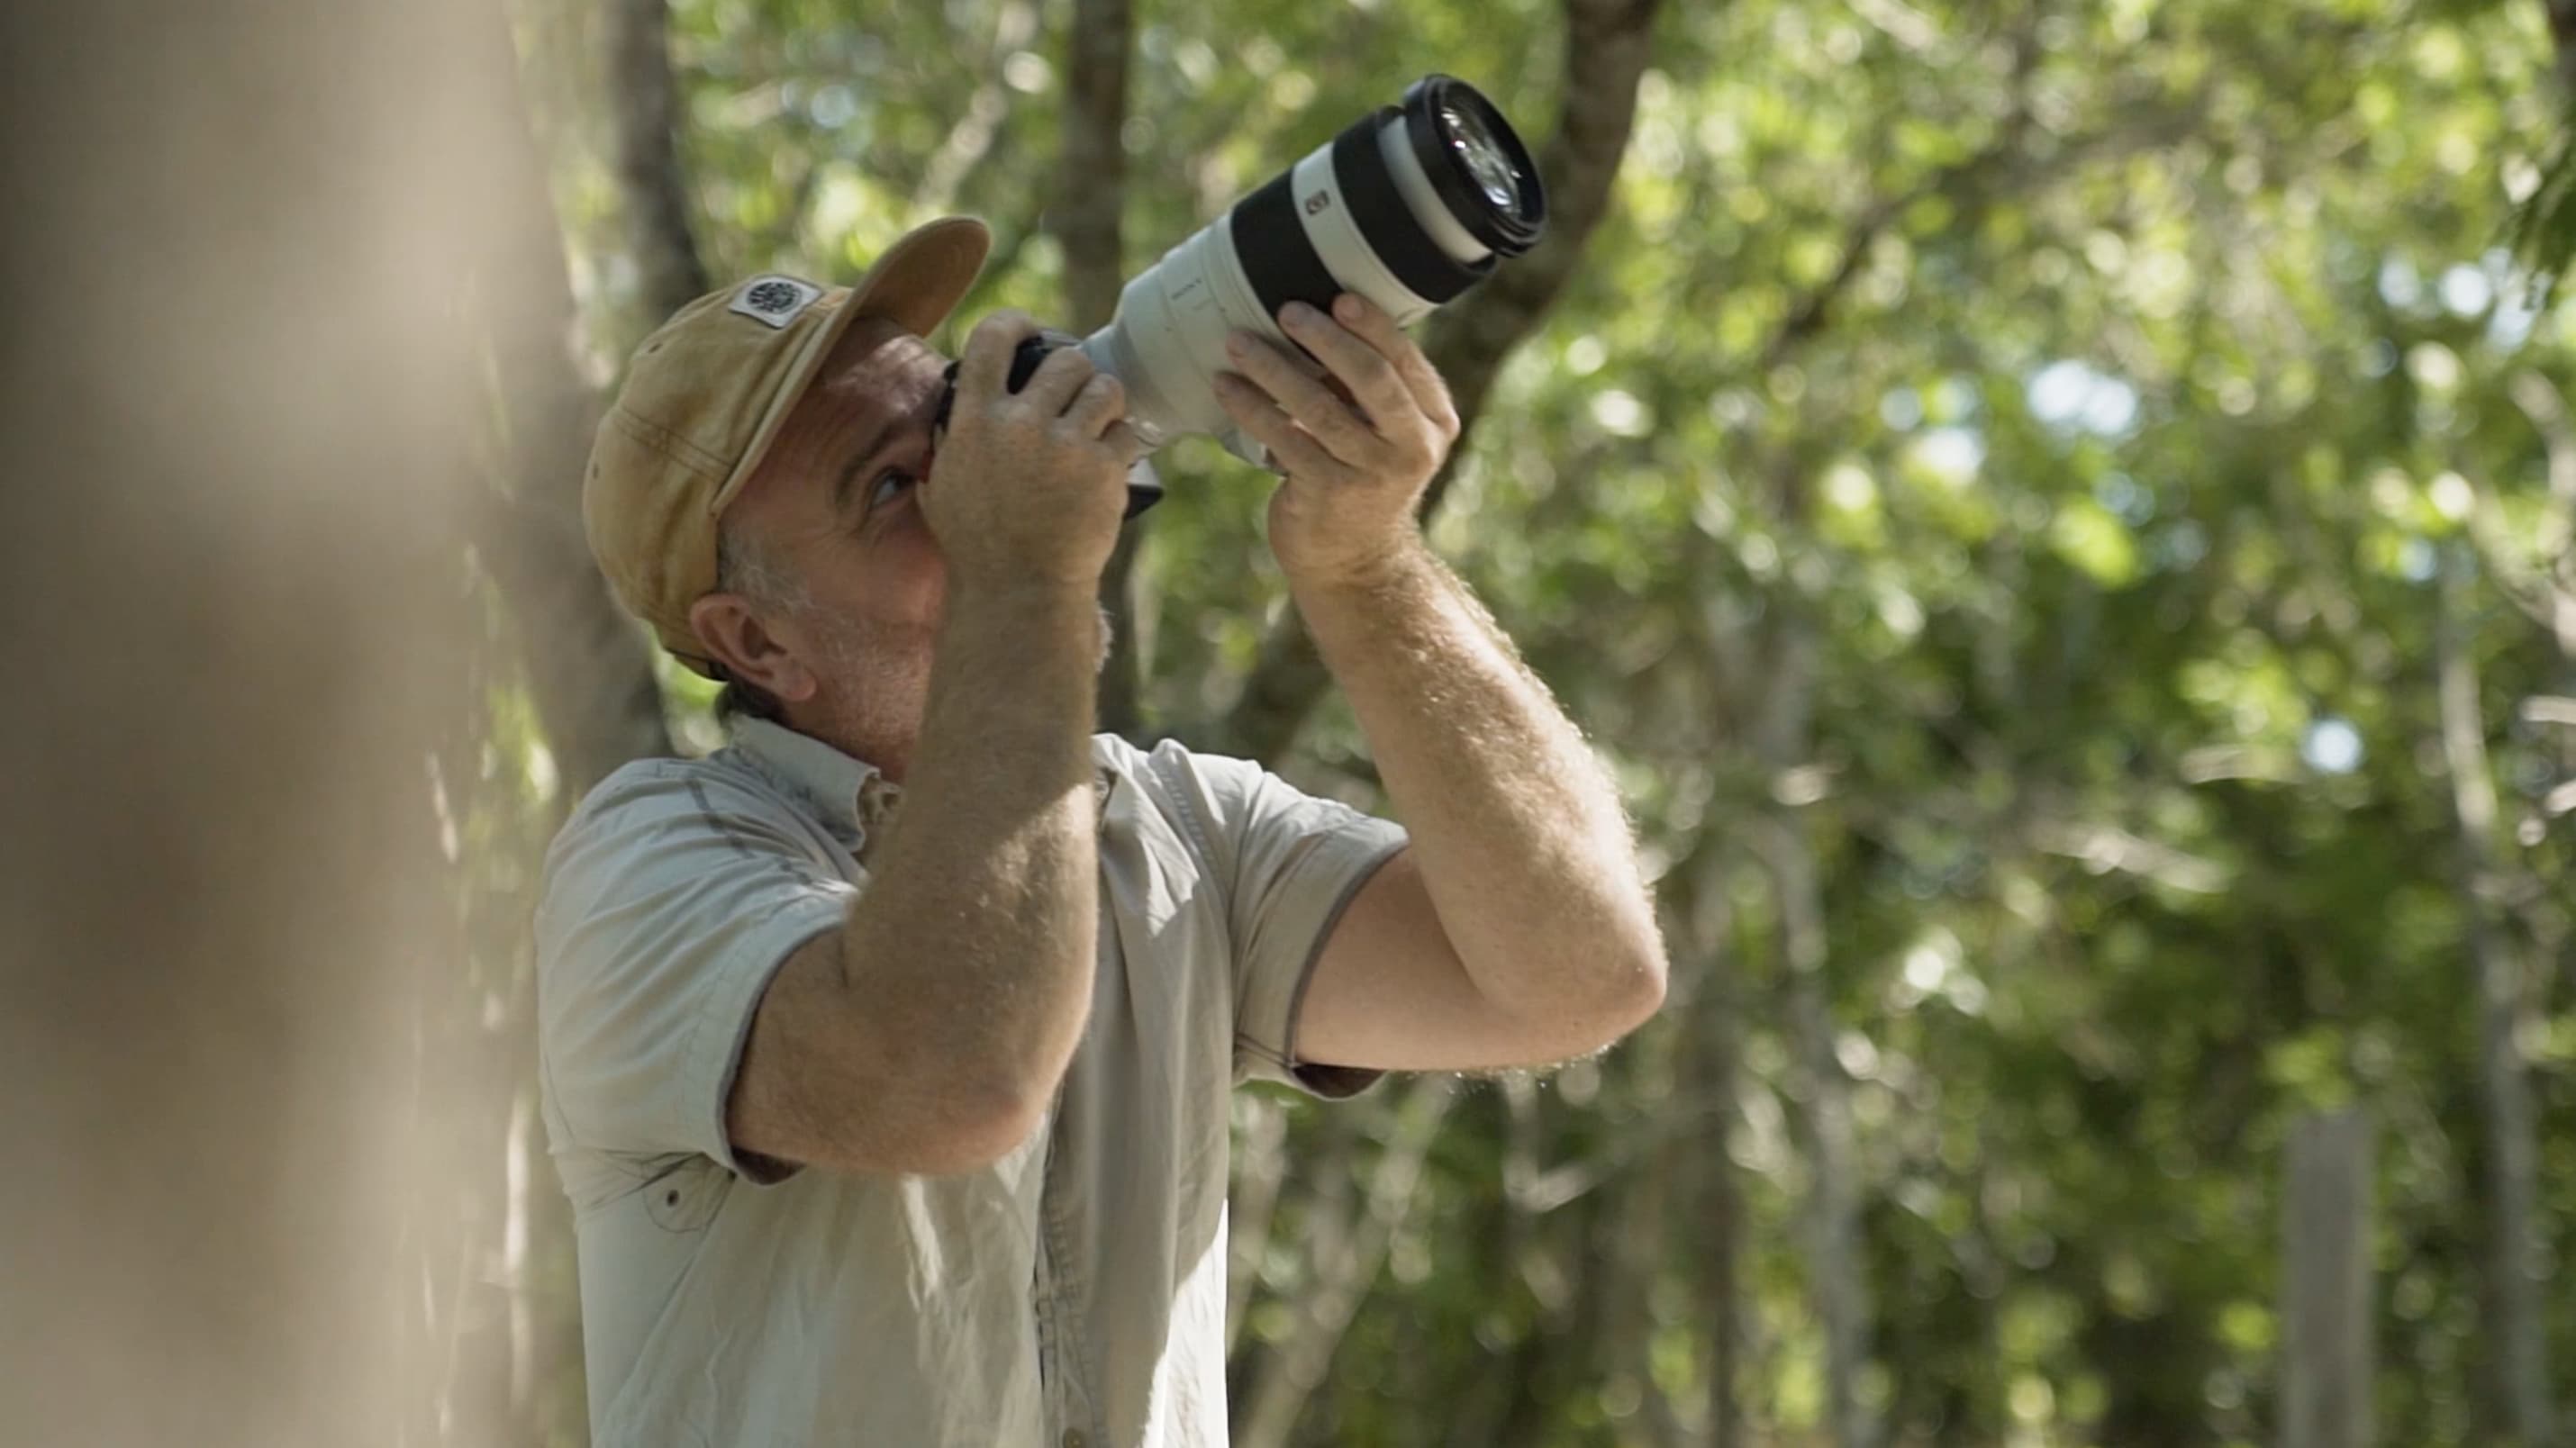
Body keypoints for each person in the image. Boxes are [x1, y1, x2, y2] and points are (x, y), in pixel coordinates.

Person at [536, 214, 1667, 1448]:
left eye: (955, 419)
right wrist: (1021, 580)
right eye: (896, 486)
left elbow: (1579, 975)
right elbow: (954, 1072)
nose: (979, 480)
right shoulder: (648, 867)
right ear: (757, 640)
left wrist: (1365, 564)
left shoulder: (1178, 828)